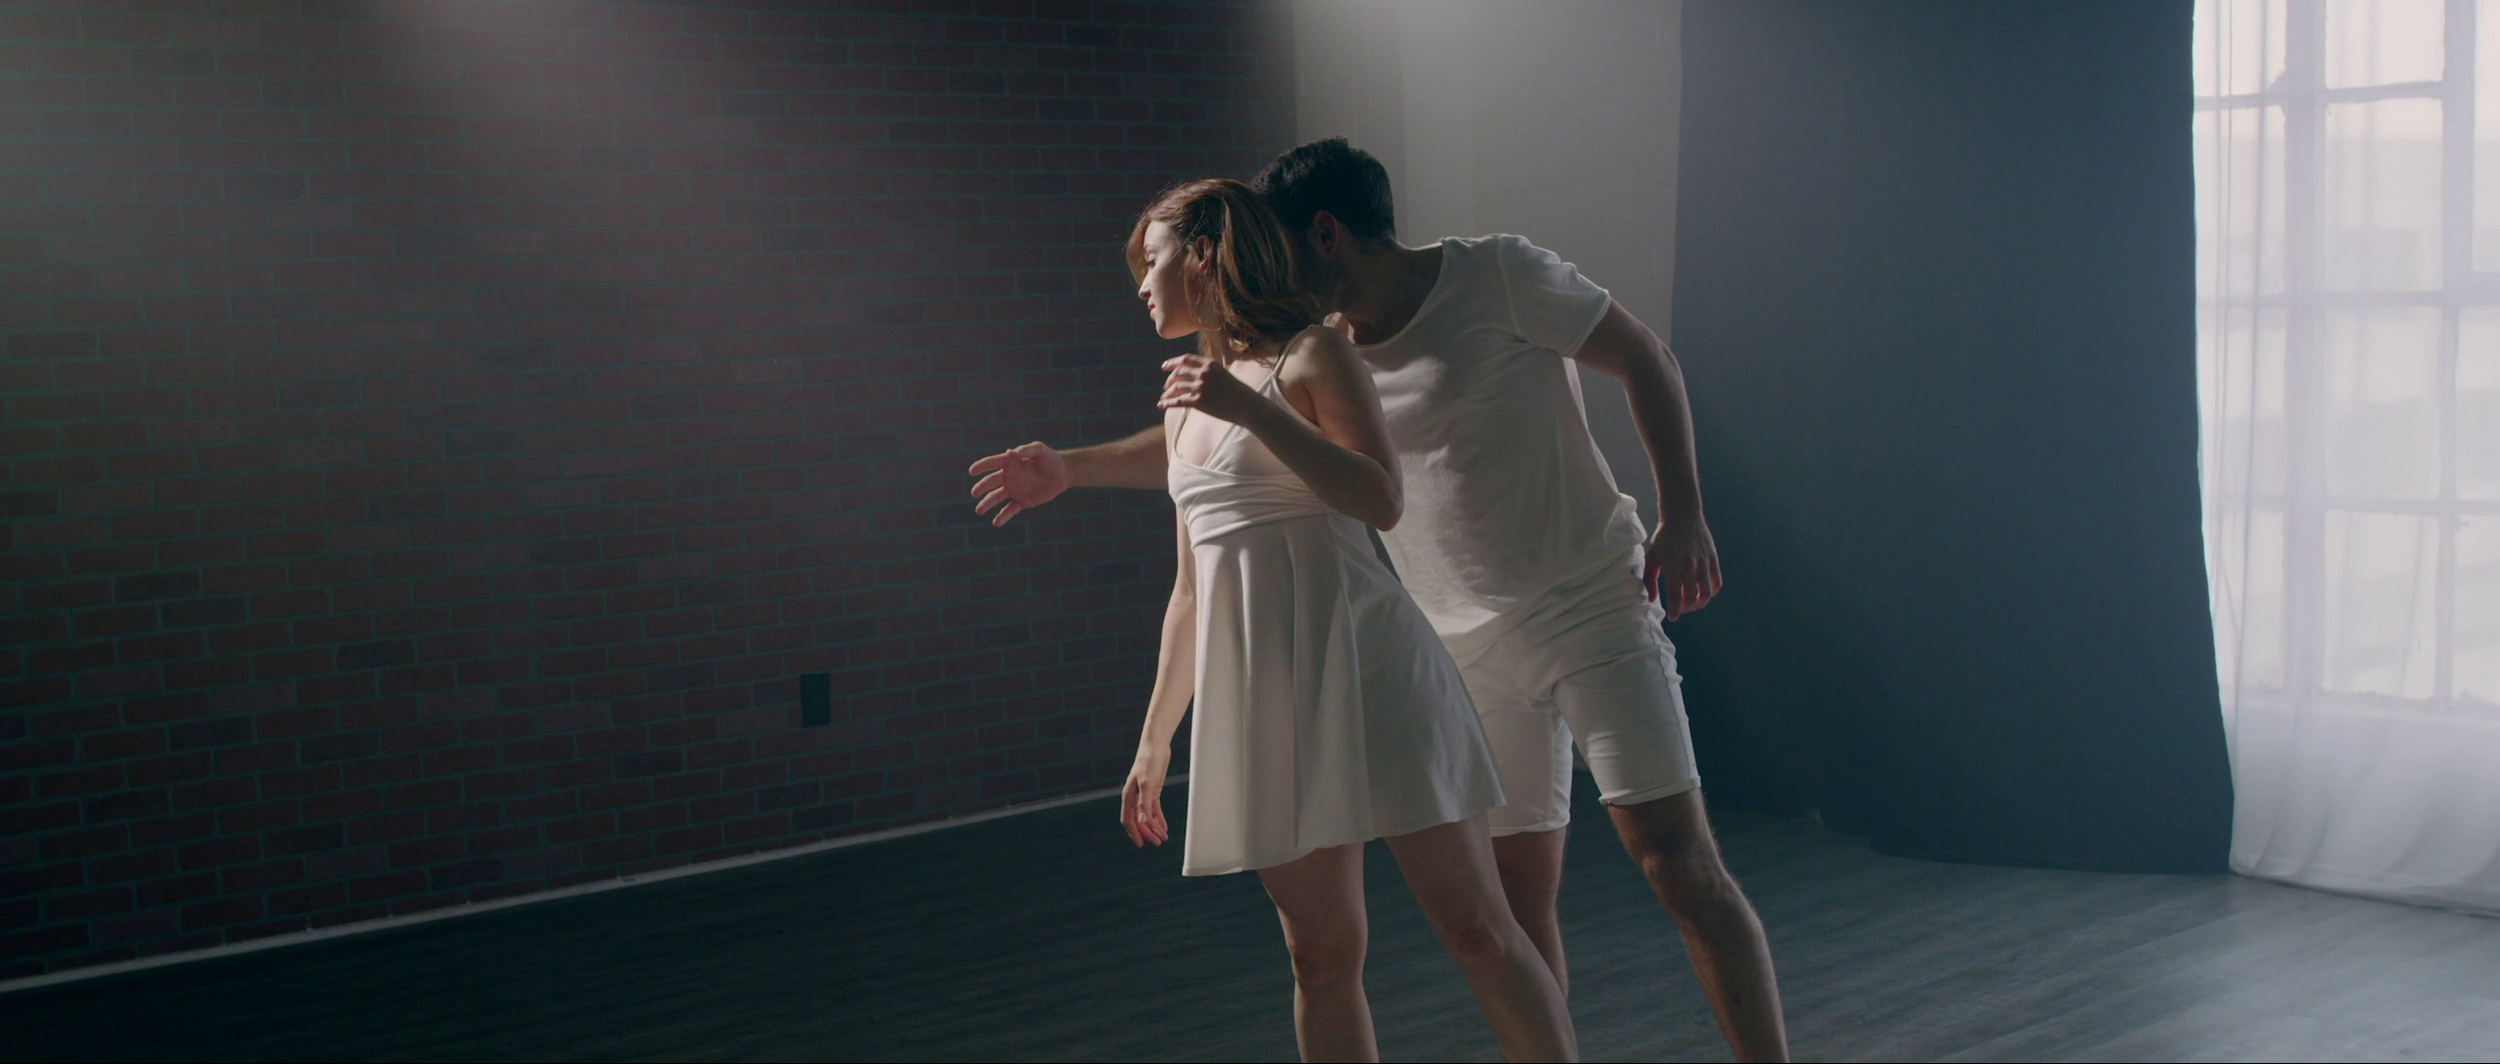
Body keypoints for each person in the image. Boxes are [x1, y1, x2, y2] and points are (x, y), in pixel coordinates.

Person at [969, 140, 1790, 1062]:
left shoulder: (1480, 283)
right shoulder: (1285, 357)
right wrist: (1070, 470)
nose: (1259, 266)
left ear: (1323, 235)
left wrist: (1684, 515)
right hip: (1461, 640)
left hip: (1583, 605)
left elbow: (1645, 359)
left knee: (1672, 867)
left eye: (1275, 246)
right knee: (1498, 907)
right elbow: (1209, 465)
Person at [1106, 176, 1577, 1063]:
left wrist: (1247, 408)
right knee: (1319, 956)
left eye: (1152, 259)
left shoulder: (1314, 354)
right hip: (1267, 696)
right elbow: (1191, 591)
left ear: (1203, 256)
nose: (1141, 283)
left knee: (1478, 928)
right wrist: (1155, 739)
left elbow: (1382, 498)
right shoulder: (1183, 403)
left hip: (1371, 669)